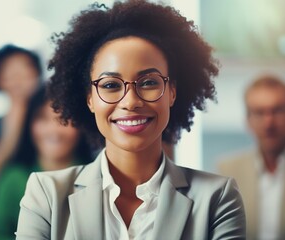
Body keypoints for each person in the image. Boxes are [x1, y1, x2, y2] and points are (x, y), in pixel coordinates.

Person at [16, 1, 246, 239]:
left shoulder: (217, 197)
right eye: (111, 85)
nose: (130, 101)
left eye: (148, 82)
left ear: (172, 92)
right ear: (90, 99)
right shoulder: (47, 195)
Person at [0, 87, 92, 240]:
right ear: (29, 124)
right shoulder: (13, 179)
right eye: (43, 118)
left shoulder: (97, 176)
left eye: (65, 118)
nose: (53, 130)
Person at [0, 44, 42, 228]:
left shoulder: (48, 126)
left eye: (24, 70)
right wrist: (15, 120)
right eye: (9, 73)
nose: (18, 79)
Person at [218, 75, 285, 239]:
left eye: (277, 111)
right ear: (248, 120)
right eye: (259, 112)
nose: (269, 123)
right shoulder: (227, 172)